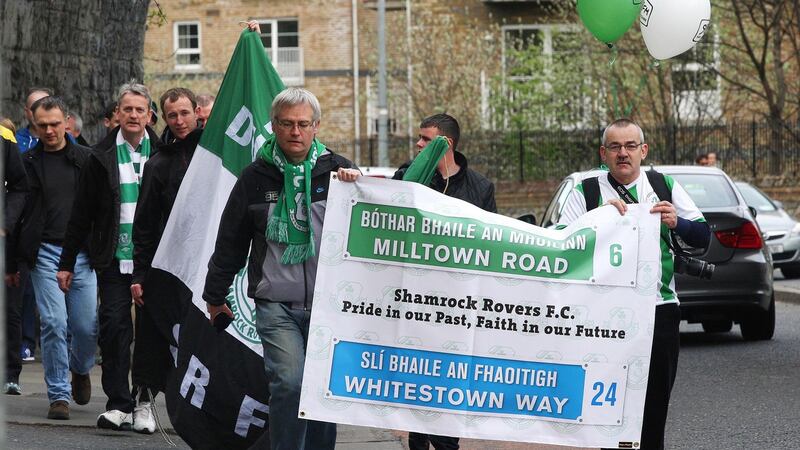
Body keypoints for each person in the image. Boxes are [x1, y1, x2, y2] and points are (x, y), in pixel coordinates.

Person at [202, 87, 358, 450]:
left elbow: (368, 233)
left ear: (316, 126)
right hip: (276, 307)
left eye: (304, 124)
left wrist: (357, 184)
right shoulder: (254, 178)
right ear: (274, 126)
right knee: (290, 383)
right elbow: (230, 242)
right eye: (287, 124)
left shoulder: (339, 171)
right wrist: (214, 295)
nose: (296, 132)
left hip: (328, 306)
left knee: (322, 391)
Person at [558, 118, 710, 450]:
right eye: (614, 147)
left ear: (644, 150)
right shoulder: (586, 191)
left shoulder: (663, 185)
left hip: (659, 311)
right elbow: (559, 245)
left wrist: (677, 221)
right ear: (603, 153)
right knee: (605, 411)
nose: (622, 153)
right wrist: (595, 220)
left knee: (653, 409)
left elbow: (703, 236)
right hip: (600, 316)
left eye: (630, 146)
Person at [57, 81, 160, 431]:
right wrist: (66, 262)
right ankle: (119, 403)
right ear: (117, 113)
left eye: (140, 110)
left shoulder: (163, 154)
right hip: (115, 259)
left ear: (149, 115)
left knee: (149, 335)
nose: (133, 115)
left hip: (153, 262)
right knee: (115, 328)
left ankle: (145, 401)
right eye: (127, 109)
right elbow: (80, 213)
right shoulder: (97, 157)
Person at [390, 113, 495, 450]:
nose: (417, 145)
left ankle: (447, 443)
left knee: (447, 384)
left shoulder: (480, 188)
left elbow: (492, 245)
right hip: (413, 301)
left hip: (456, 308)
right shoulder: (408, 176)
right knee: (416, 384)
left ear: (444, 144)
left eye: (424, 139)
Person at [12, 96, 96, 420]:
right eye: (42, 125)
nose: (49, 130)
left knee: (86, 326)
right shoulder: (27, 162)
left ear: (68, 123)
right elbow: (16, 213)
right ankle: (58, 394)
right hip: (44, 252)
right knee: (53, 322)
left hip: (82, 254)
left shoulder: (87, 159)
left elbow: (103, 206)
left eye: (55, 124)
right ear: (34, 125)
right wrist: (12, 263)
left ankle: (80, 367)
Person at [128, 87, 202, 434]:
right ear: (164, 119)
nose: (179, 121)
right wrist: (139, 274)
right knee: (151, 336)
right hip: (165, 267)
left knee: (202, 340)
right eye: (172, 115)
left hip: (207, 268)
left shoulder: (215, 155)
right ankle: (143, 402)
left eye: (184, 113)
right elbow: (142, 224)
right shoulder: (157, 164)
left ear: (196, 112)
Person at [2, 121, 30, 396]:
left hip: (7, 243)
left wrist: (6, 223)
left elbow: (19, 187)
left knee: (10, 310)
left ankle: (11, 373)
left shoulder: (5, 137)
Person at [16, 87, 54, 152]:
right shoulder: (14, 141)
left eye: (45, 108)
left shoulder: (65, 140)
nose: (39, 114)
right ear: (26, 112)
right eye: (34, 108)